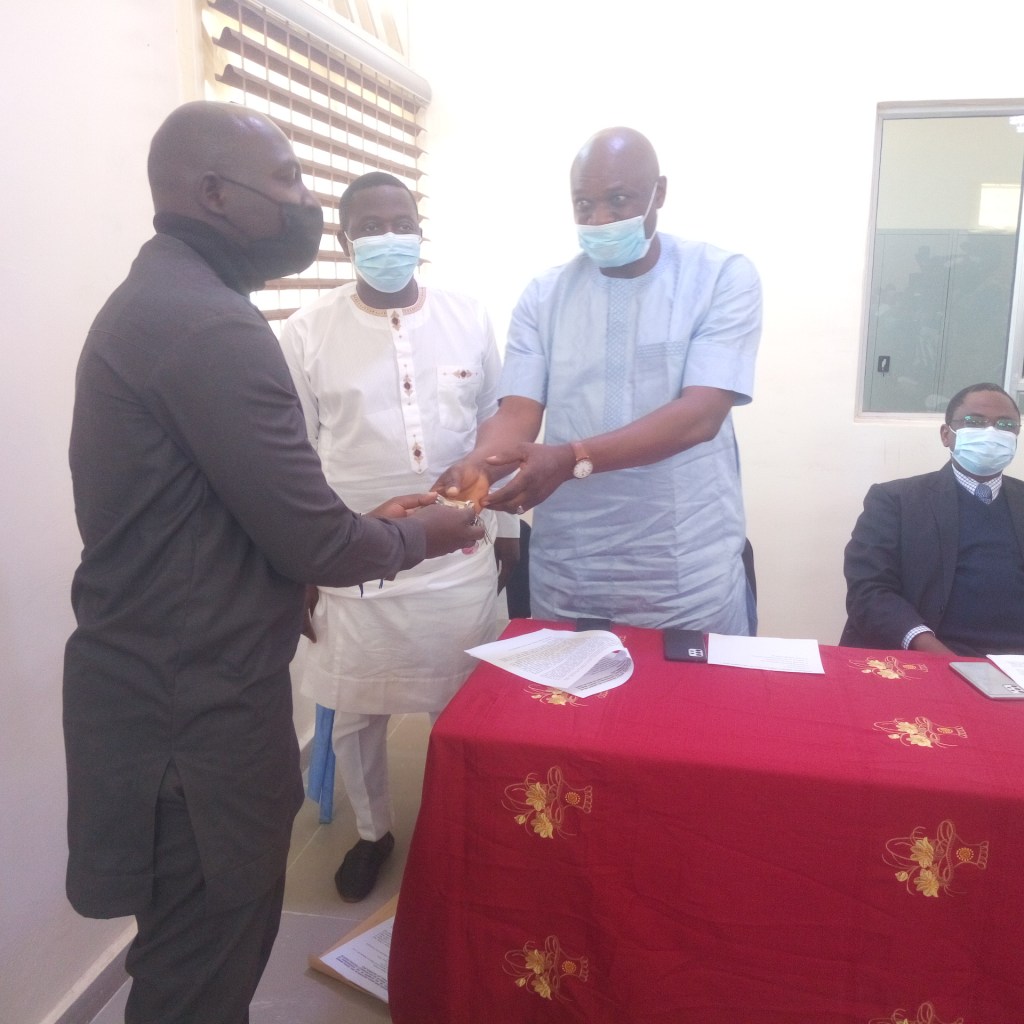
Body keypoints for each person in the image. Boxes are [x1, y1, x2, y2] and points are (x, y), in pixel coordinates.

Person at [63, 102, 482, 1024]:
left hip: (164, 689)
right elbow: (314, 541)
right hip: (191, 715)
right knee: (201, 967)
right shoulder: (211, 327)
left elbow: (228, 513)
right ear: (214, 193)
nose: (305, 203)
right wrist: (435, 532)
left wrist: (361, 524)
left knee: (193, 950)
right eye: (288, 179)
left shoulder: (165, 302)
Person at [278, 171, 519, 902]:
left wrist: (508, 528)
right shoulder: (307, 332)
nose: (389, 238)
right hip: (355, 558)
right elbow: (292, 454)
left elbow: (497, 429)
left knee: (462, 707)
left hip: (458, 554)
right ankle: (373, 831)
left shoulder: (466, 316)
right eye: (370, 227)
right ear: (344, 239)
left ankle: (460, 827)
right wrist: (304, 563)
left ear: (419, 231)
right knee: (356, 715)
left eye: (401, 223)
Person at [437, 127, 762, 632]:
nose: (600, 220)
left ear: (659, 192)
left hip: (682, 567)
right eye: (584, 205)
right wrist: (479, 464)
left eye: (618, 200)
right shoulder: (544, 296)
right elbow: (518, 412)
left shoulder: (720, 277)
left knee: (685, 686)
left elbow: (701, 415)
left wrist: (570, 459)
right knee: (568, 682)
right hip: (573, 565)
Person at [841, 382, 1024, 656]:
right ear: (946, 435)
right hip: (929, 652)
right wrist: (933, 651)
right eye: (975, 422)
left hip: (1015, 662)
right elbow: (869, 590)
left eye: (1005, 425)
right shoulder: (894, 501)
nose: (991, 433)